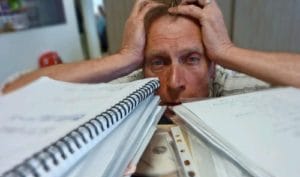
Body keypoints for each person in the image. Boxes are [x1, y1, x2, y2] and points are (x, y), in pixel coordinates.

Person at [2, 0, 300, 104]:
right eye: (158, 62)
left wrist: (225, 50)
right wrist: (123, 58)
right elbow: (13, 92)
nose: (174, 82)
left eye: (192, 59)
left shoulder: (224, 78)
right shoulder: (137, 83)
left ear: (212, 66)